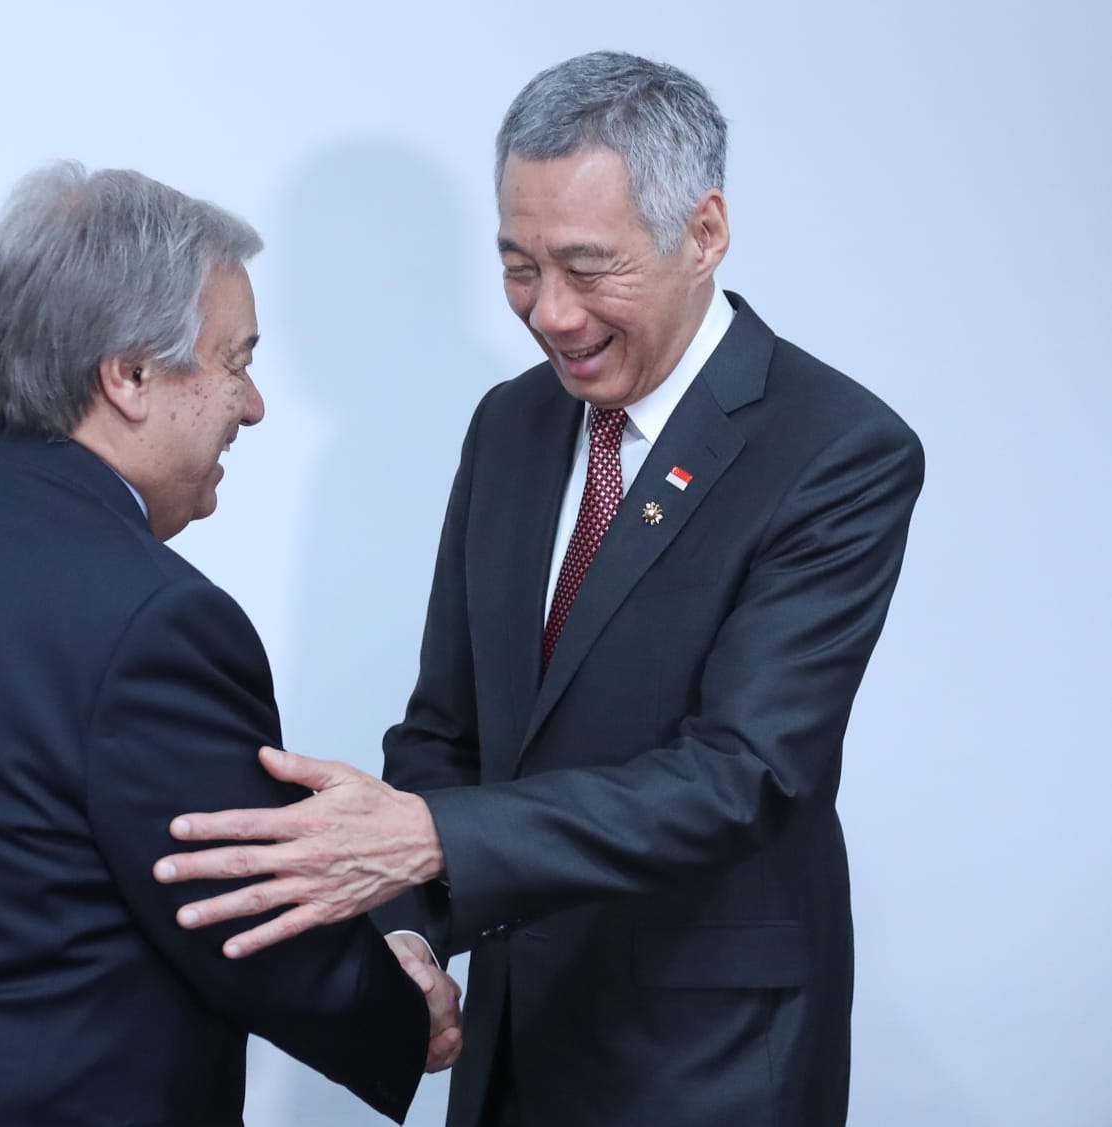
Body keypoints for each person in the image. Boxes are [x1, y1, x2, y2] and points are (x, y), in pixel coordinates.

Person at [152, 52, 925, 1126]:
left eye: (587, 266)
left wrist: (436, 839)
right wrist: (412, 924)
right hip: (510, 1040)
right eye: (517, 265)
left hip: (708, 1059)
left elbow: (744, 774)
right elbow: (444, 731)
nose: (550, 312)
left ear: (703, 232)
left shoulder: (834, 448)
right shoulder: (510, 425)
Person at [0, 162, 459, 1127]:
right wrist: (406, 1009)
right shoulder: (158, 616)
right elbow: (241, 909)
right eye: (235, 361)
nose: (252, 407)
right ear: (128, 375)